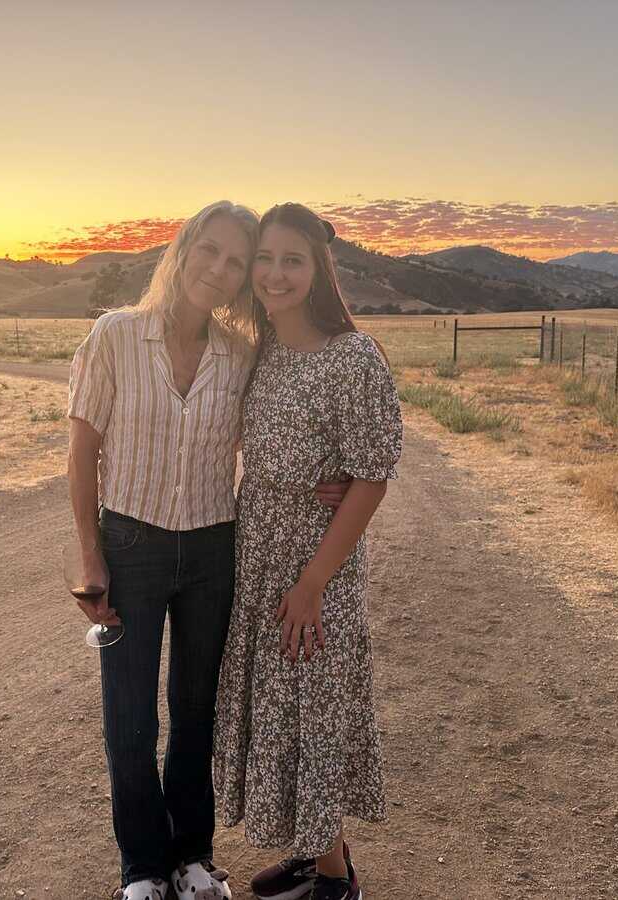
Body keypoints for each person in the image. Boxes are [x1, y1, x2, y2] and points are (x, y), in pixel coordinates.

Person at [67, 201, 349, 900]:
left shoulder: (241, 354)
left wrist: (328, 473)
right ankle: (141, 869)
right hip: (130, 543)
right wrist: (89, 554)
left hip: (212, 549)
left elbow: (276, 430)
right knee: (130, 718)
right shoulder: (114, 336)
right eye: (211, 252)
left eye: (235, 261)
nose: (220, 271)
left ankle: (192, 859)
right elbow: (82, 454)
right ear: (184, 248)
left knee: (197, 713)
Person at [213, 203, 403, 900]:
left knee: (313, 701)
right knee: (282, 703)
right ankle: (314, 850)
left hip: (313, 561)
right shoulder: (259, 345)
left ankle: (334, 883)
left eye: (292, 260)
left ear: (319, 268)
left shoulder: (352, 357)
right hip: (257, 545)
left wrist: (314, 581)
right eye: (264, 258)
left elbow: (375, 473)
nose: (273, 273)